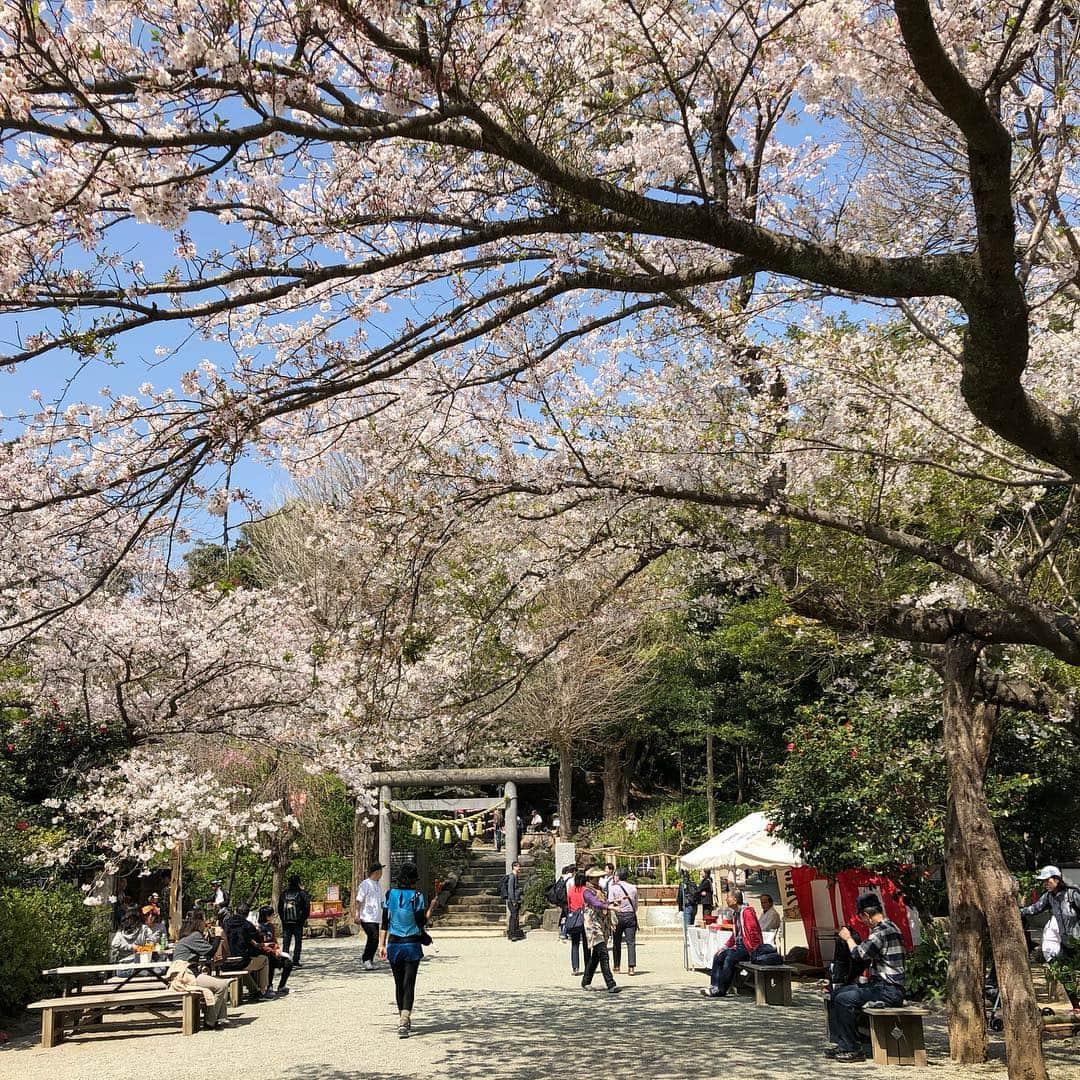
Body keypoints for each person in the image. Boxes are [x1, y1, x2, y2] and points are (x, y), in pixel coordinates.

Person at [824, 893, 906, 1063]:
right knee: (836, 993)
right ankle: (844, 1042)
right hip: (881, 987)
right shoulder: (891, 927)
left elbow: (859, 954)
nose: (862, 922)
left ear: (867, 915)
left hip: (888, 991)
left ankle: (853, 1049)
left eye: (861, 918)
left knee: (844, 999)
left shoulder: (881, 932)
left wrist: (847, 938)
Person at [379, 862, 437, 1038]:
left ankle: (401, 1018)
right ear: (413, 880)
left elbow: (385, 922)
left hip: (394, 944)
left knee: (398, 983)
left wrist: (381, 944)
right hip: (412, 944)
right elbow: (421, 922)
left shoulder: (390, 895)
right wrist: (431, 909)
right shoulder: (417, 896)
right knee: (409, 982)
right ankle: (405, 1018)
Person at [1021, 866, 1080, 1014]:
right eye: (1043, 881)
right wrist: (1015, 911)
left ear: (1057, 879)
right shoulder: (1048, 897)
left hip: (1078, 943)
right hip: (1065, 944)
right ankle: (1077, 1007)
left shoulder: (1072, 894)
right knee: (1063, 973)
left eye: (1047, 880)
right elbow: (1034, 909)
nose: (1045, 884)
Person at [167, 909, 231, 1029]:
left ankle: (219, 1018)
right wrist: (218, 936)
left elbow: (207, 951)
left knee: (217, 984)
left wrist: (211, 937)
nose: (205, 922)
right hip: (185, 975)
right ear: (198, 922)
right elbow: (211, 952)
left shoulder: (186, 936)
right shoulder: (194, 936)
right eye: (203, 920)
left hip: (180, 975)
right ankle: (210, 1021)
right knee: (222, 985)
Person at [701, 889, 762, 998]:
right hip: (739, 946)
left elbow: (753, 931)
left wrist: (754, 950)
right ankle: (714, 986)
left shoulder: (747, 912)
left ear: (735, 899)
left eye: (728, 897)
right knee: (718, 955)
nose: (726, 899)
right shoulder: (736, 914)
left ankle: (721, 989)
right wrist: (725, 947)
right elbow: (735, 935)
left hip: (748, 948)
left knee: (729, 958)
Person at [220, 903, 273, 1002]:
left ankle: (254, 990)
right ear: (247, 914)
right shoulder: (247, 925)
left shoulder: (225, 923)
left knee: (245, 964)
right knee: (264, 960)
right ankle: (263, 990)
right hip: (241, 962)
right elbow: (258, 941)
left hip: (224, 962)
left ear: (236, 911)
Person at [581, 868, 620, 993]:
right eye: (595, 878)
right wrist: (609, 906)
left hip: (602, 924)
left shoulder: (600, 890)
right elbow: (595, 903)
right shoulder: (587, 891)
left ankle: (586, 980)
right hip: (593, 926)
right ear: (590, 879)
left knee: (596, 955)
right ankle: (610, 984)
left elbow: (603, 902)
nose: (598, 880)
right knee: (603, 953)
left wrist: (612, 903)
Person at [257, 905, 293, 995]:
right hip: (265, 954)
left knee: (288, 963)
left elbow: (274, 940)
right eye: (272, 915)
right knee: (271, 961)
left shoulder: (271, 926)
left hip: (274, 952)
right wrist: (272, 951)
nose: (273, 916)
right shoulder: (258, 928)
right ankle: (269, 986)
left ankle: (282, 986)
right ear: (267, 916)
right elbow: (260, 945)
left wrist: (277, 949)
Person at [609, 867, 638, 976]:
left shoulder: (613, 888)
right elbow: (635, 904)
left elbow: (610, 903)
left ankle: (617, 966)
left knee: (616, 942)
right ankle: (631, 967)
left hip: (618, 916)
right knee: (631, 942)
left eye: (615, 875)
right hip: (630, 915)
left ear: (618, 876)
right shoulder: (633, 887)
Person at [356, 861, 384, 970]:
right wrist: (357, 914)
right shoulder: (365, 884)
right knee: (373, 937)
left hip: (375, 917)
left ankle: (370, 959)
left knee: (375, 939)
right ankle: (366, 959)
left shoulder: (378, 885)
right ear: (376, 872)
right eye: (380, 872)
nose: (381, 874)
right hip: (366, 916)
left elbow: (381, 901)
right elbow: (359, 900)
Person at [278, 874, 311, 967]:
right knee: (298, 941)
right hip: (298, 922)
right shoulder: (302, 894)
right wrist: (303, 919)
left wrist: (283, 919)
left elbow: (280, 908)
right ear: (298, 882)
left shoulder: (284, 894)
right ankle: (296, 960)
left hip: (286, 922)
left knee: (286, 942)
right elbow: (307, 907)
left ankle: (285, 960)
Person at [565, 870, 590, 975]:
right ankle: (588, 966)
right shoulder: (586, 891)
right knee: (586, 943)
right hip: (584, 917)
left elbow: (569, 904)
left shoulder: (570, 890)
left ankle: (575, 967)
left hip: (574, 917)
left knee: (575, 944)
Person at [500, 860, 525, 940]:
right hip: (512, 900)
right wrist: (513, 900)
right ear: (514, 867)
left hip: (516, 899)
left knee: (515, 916)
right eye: (518, 866)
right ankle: (512, 934)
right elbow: (511, 889)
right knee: (513, 917)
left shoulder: (515, 876)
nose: (519, 868)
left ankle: (514, 932)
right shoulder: (512, 877)